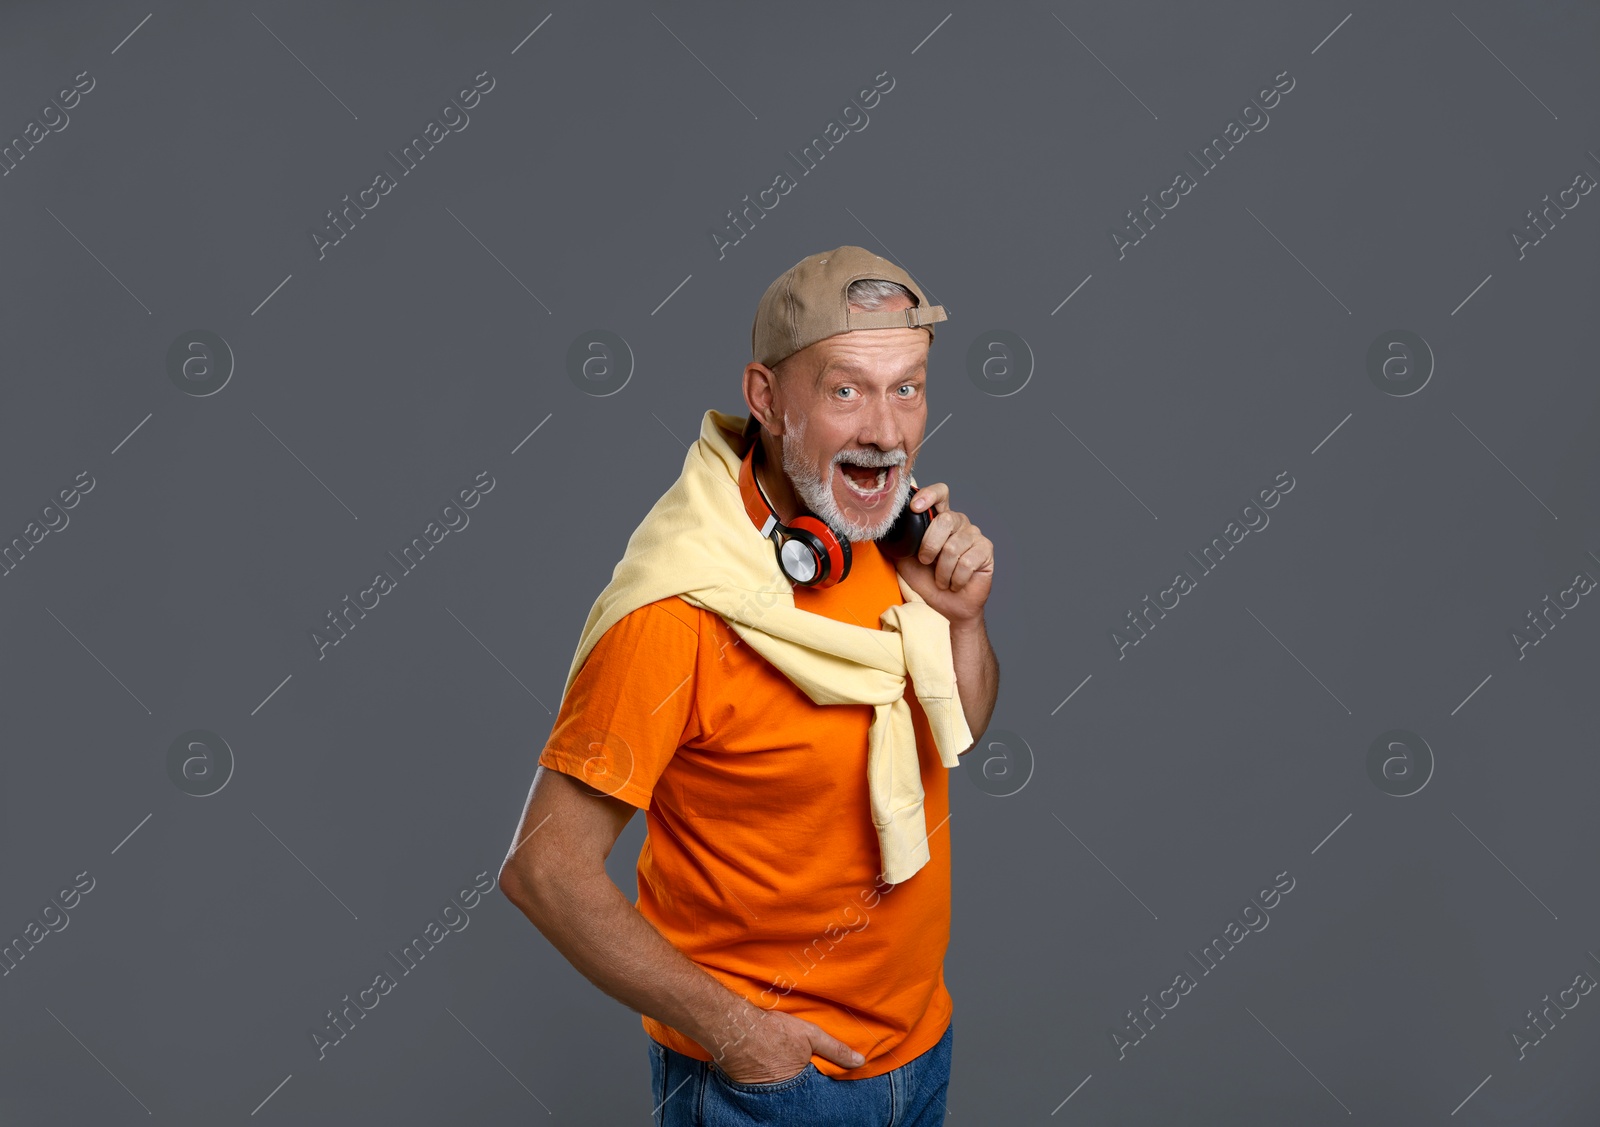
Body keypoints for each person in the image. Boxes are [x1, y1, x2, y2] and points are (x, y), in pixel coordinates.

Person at [498, 245, 999, 1125]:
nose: (886, 430)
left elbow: (953, 728)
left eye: (908, 386)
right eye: (846, 389)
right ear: (765, 397)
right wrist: (741, 1037)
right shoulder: (679, 607)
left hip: (917, 1051)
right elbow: (543, 869)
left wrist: (960, 620)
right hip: (769, 1086)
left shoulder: (883, 525)